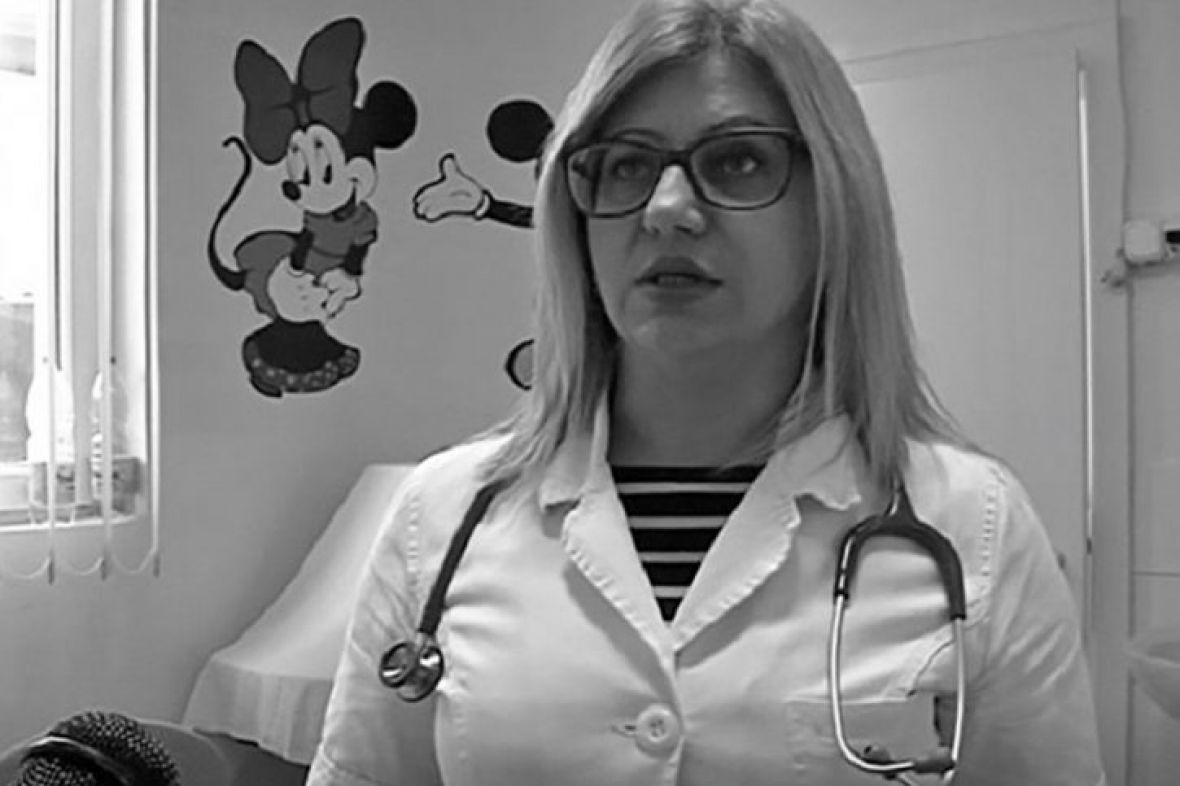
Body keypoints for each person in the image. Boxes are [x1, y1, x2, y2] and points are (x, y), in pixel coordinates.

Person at [307, 0, 1106, 783]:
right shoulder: (441, 517)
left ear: (833, 203)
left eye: (739, 161)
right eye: (626, 164)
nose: (666, 211)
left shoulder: (972, 525)